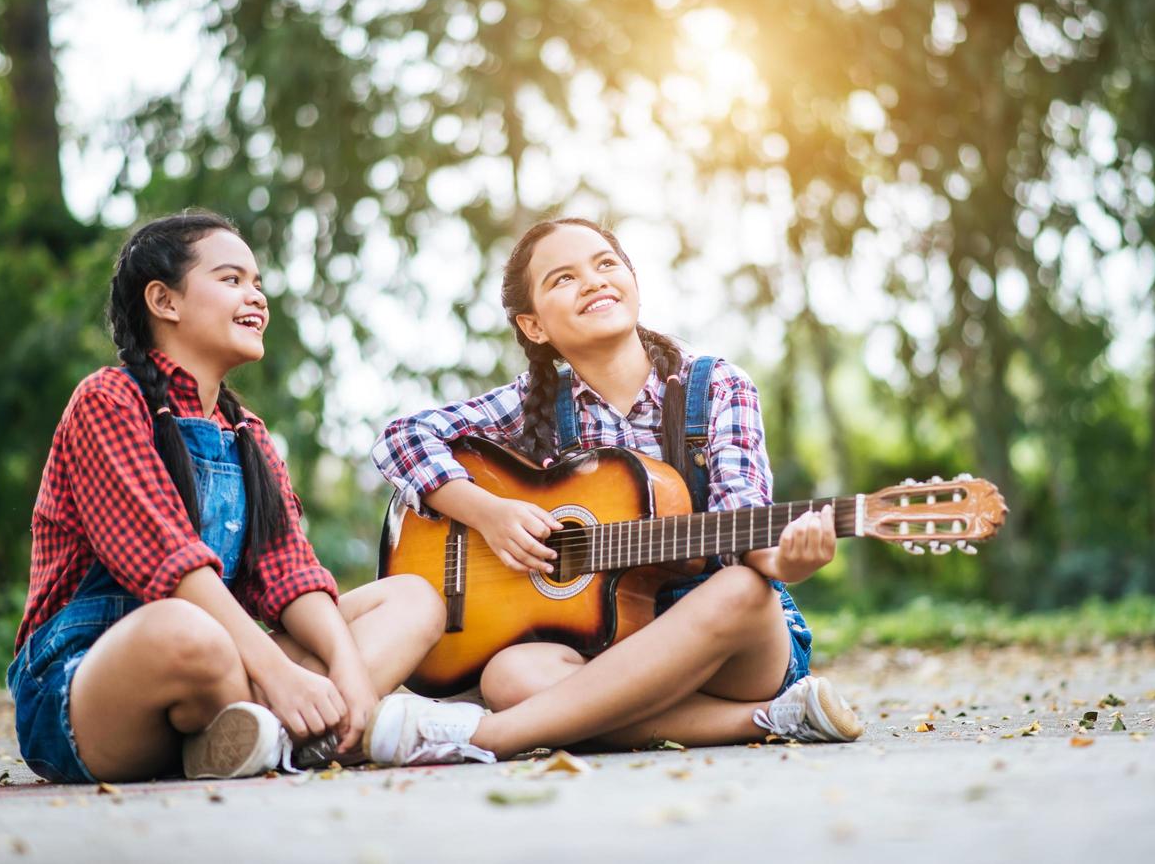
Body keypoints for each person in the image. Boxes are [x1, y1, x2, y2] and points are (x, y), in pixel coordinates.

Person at [367, 217, 862, 766]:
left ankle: (487, 738)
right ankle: (775, 719)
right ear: (533, 327)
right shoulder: (535, 402)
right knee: (512, 675)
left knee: (742, 588)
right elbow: (401, 437)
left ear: (633, 283)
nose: (594, 281)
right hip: (610, 648)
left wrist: (787, 561)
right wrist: (487, 512)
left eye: (606, 264)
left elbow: (744, 515)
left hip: (730, 645)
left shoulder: (717, 385)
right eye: (563, 278)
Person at [9, 211, 444, 784]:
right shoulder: (108, 400)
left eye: (258, 283)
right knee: (186, 630)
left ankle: (256, 738)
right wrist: (280, 673)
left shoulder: (249, 434)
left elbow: (290, 574)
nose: (256, 296)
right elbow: (170, 565)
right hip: (87, 685)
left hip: (228, 669)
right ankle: (290, 730)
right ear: (164, 301)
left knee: (414, 598)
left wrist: (349, 670)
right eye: (232, 279)